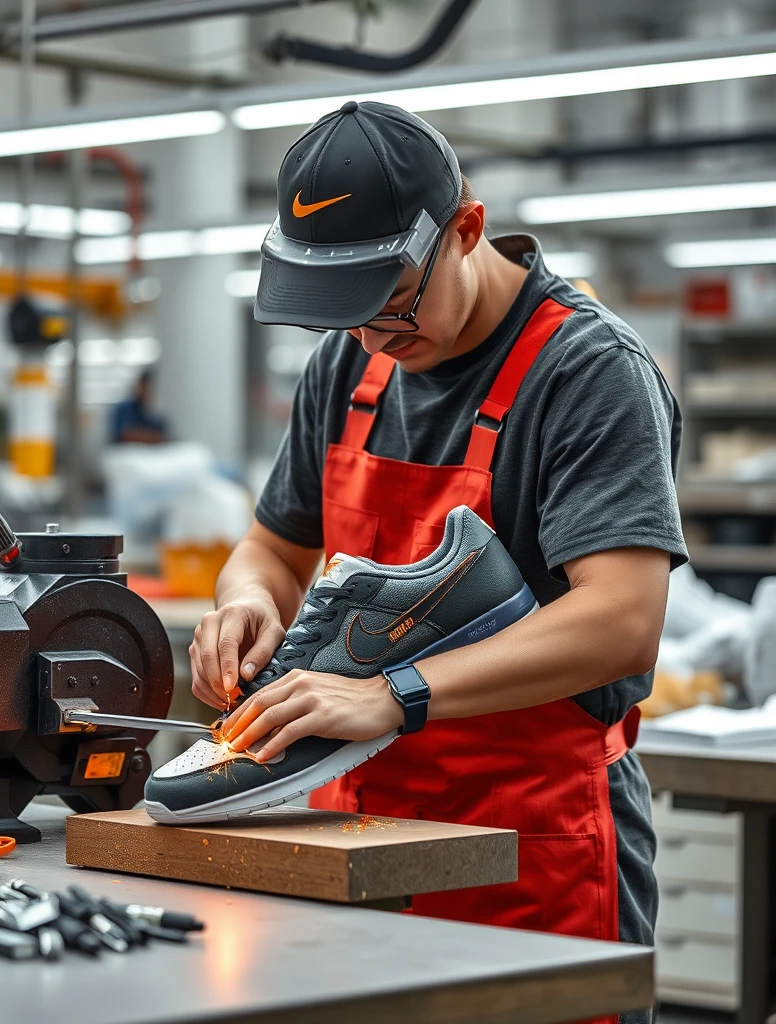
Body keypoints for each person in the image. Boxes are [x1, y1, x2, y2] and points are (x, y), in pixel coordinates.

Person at [190, 100, 685, 1024]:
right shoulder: (352, 364)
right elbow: (274, 545)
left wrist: (393, 693)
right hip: (352, 825)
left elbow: (620, 621)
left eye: (392, 302)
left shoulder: (587, 372)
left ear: (467, 228)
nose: (375, 338)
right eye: (347, 317)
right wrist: (248, 599)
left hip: (528, 841)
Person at [110, 369, 168, 444]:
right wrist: (152, 437)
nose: (146, 393)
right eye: (144, 388)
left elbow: (163, 436)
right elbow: (126, 434)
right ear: (137, 386)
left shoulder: (148, 414)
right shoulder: (123, 408)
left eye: (149, 390)